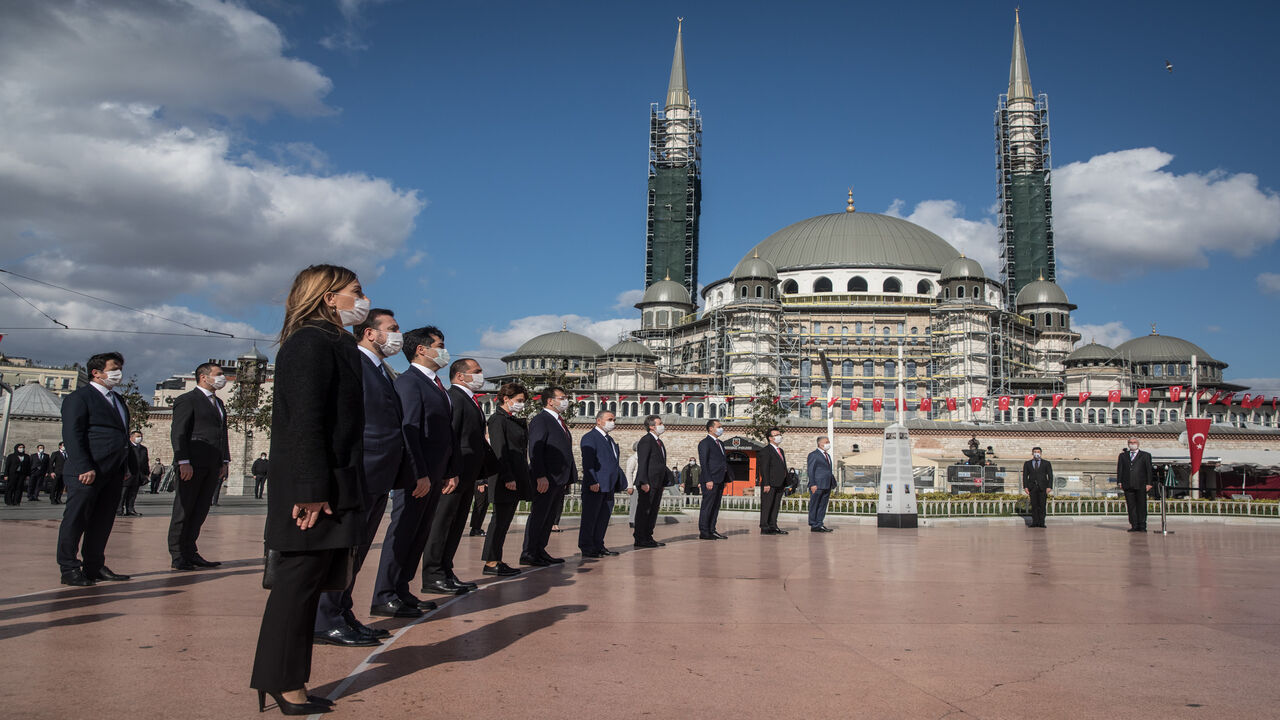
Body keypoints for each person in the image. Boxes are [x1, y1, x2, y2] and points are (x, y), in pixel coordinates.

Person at [250, 264, 368, 715]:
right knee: (296, 586)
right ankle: (281, 681)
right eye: (355, 291)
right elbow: (304, 422)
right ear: (327, 296)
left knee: (310, 584)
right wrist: (311, 490)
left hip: (331, 484)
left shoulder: (334, 342)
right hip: (315, 492)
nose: (363, 299)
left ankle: (287, 677)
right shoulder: (310, 342)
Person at [314, 308, 411, 648]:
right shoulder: (354, 362)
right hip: (360, 471)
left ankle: (342, 610)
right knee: (345, 548)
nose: (398, 335)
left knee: (358, 548)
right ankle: (325, 619)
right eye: (392, 328)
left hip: (378, 473)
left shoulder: (380, 369)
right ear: (370, 333)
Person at [369, 325, 454, 618]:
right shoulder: (409, 383)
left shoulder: (435, 385)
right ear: (421, 349)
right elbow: (410, 430)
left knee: (418, 534)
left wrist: (447, 471)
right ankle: (384, 594)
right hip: (416, 477)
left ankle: (402, 590)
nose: (444, 351)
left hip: (434, 475)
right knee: (402, 532)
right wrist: (417, 473)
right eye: (439, 345)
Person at [55, 351, 138, 586]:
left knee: (102, 521)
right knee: (76, 519)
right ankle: (69, 568)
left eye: (120, 367)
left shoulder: (118, 400)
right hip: (87, 471)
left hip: (112, 472)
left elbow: (122, 436)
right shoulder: (79, 398)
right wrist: (84, 465)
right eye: (114, 368)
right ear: (96, 372)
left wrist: (127, 467)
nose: (118, 373)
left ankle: (94, 565)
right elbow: (72, 434)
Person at [420, 357, 488, 595]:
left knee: (457, 524)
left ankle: (446, 571)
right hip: (454, 476)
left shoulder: (471, 401)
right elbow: (451, 438)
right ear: (460, 376)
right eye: (476, 371)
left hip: (467, 474)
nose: (481, 375)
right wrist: (450, 472)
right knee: (442, 524)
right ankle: (433, 574)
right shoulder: (455, 399)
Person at [167, 363, 231, 571]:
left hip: (212, 464)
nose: (222, 378)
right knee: (184, 509)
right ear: (203, 377)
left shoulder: (219, 403)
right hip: (192, 464)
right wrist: (183, 461)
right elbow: (179, 432)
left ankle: (190, 551)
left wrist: (224, 461)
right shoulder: (187, 400)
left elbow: (222, 434)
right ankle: (177, 554)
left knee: (201, 509)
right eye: (218, 374)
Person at [520, 386, 575, 566]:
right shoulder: (541, 420)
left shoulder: (560, 421)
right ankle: (529, 552)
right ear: (550, 401)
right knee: (540, 514)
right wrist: (540, 475)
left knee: (550, 516)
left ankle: (540, 549)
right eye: (562, 397)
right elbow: (535, 449)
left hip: (559, 478)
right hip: (546, 478)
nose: (565, 400)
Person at [482, 383, 531, 576]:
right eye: (518, 401)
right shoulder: (497, 420)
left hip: (516, 475)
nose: (521, 405)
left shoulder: (512, 420)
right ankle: (491, 561)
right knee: (499, 521)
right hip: (505, 477)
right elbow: (499, 450)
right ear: (505, 399)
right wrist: (508, 477)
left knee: (504, 521)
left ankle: (497, 558)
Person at [579, 410, 624, 557]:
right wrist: (592, 480)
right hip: (596, 485)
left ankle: (599, 544)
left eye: (614, 419)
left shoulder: (609, 440)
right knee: (590, 517)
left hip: (608, 485)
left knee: (603, 517)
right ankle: (587, 546)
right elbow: (588, 462)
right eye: (609, 419)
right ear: (599, 421)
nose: (613, 422)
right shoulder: (590, 438)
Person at [633, 415, 670, 548]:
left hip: (657, 483)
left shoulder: (659, 442)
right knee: (645, 510)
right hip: (648, 482)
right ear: (651, 426)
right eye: (659, 423)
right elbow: (643, 462)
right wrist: (643, 481)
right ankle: (640, 538)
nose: (662, 425)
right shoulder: (646, 440)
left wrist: (663, 482)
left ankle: (648, 536)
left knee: (653, 511)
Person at [696, 420, 729, 540]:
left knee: (715, 506)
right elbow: (704, 463)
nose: (721, 429)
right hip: (710, 479)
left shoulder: (720, 443)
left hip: (720, 479)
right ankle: (704, 531)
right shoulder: (705, 443)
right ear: (711, 429)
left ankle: (712, 529)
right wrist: (708, 479)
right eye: (718, 427)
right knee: (708, 505)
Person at [1117, 436, 1153, 533]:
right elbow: (1120, 469)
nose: (1132, 444)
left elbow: (1149, 470)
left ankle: (1142, 525)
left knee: (1141, 505)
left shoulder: (1145, 455)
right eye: (1130, 442)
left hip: (1141, 484)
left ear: (1138, 444)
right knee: (1131, 506)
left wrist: (1149, 483)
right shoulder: (1123, 456)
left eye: (1134, 442)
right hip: (1128, 484)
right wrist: (1119, 481)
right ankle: (1134, 524)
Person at [757, 427, 788, 535]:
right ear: (770, 438)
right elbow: (764, 469)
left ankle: (773, 525)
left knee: (775, 505)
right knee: (767, 505)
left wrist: (785, 482)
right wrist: (766, 483)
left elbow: (783, 467)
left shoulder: (781, 451)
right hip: (769, 483)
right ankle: (764, 527)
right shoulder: (765, 451)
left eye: (779, 434)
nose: (779, 437)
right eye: (776, 435)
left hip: (779, 483)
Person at [806, 436, 835, 533]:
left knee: (823, 505)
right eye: (826, 442)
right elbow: (811, 470)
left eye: (829, 442)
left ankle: (819, 523)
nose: (828, 443)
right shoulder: (814, 455)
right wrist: (813, 483)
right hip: (817, 485)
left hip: (827, 484)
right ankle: (813, 524)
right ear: (820, 443)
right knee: (815, 504)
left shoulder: (827, 455)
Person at [1022, 446, 1053, 529]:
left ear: (1041, 453)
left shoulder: (1046, 463)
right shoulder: (1027, 463)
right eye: (1035, 451)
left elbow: (1050, 475)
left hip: (1043, 487)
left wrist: (1049, 486)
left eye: (1038, 452)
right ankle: (1035, 522)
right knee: (1034, 505)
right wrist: (1025, 487)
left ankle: (1041, 522)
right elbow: (1025, 476)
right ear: (1032, 453)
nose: (1037, 453)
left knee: (1042, 505)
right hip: (1032, 487)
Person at [119, 431, 148, 516]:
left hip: (138, 474)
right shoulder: (127, 447)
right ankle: (119, 509)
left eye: (141, 436)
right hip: (128, 474)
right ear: (131, 437)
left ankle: (130, 509)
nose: (140, 438)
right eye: (137, 436)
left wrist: (146, 473)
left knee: (133, 493)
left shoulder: (143, 449)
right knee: (123, 493)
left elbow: (145, 461)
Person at [626, 443, 640, 529]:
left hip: (642, 485)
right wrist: (629, 486)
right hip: (634, 486)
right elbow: (629, 472)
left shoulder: (643, 458)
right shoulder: (633, 459)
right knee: (634, 503)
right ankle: (632, 521)